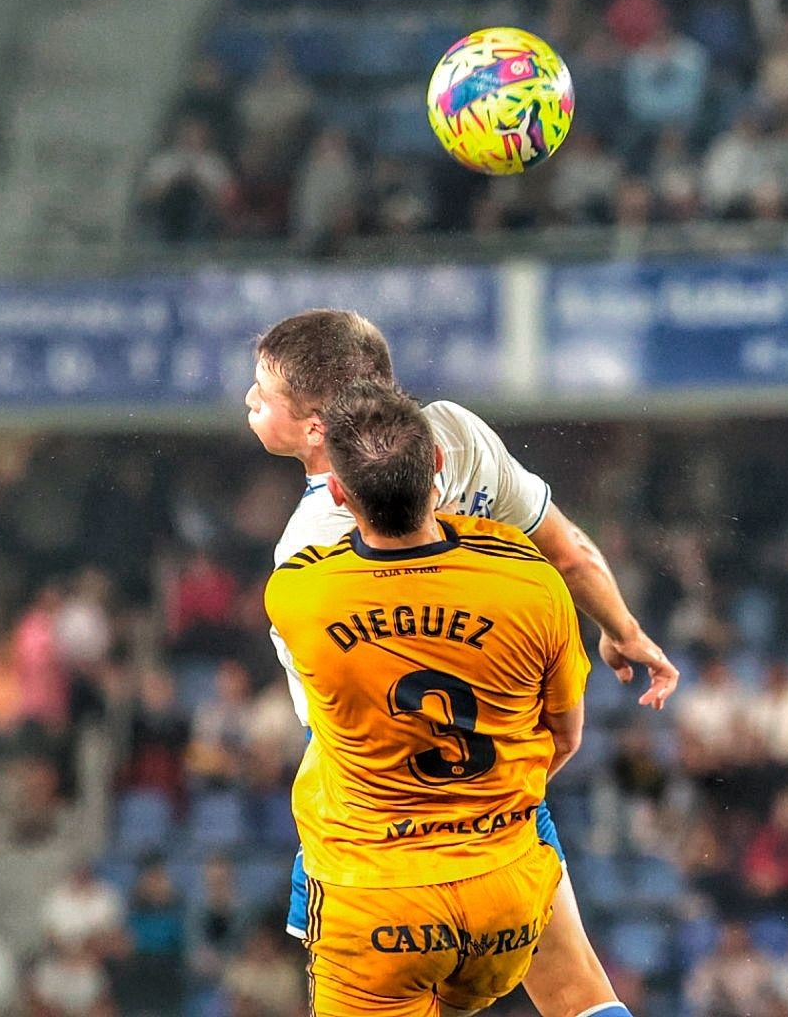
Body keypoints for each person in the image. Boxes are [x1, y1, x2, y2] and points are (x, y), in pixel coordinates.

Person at [247, 309, 675, 1017]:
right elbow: (569, 554)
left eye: (262, 395)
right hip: (499, 803)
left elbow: (341, 726)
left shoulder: (304, 563)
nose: (249, 403)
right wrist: (623, 629)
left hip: (380, 841)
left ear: (319, 430)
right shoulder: (458, 439)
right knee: (578, 992)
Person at [264, 382, 589, 1015]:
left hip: (380, 901)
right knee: (578, 993)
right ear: (438, 466)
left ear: (336, 492)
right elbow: (567, 736)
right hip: (503, 896)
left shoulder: (299, 594)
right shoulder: (534, 585)